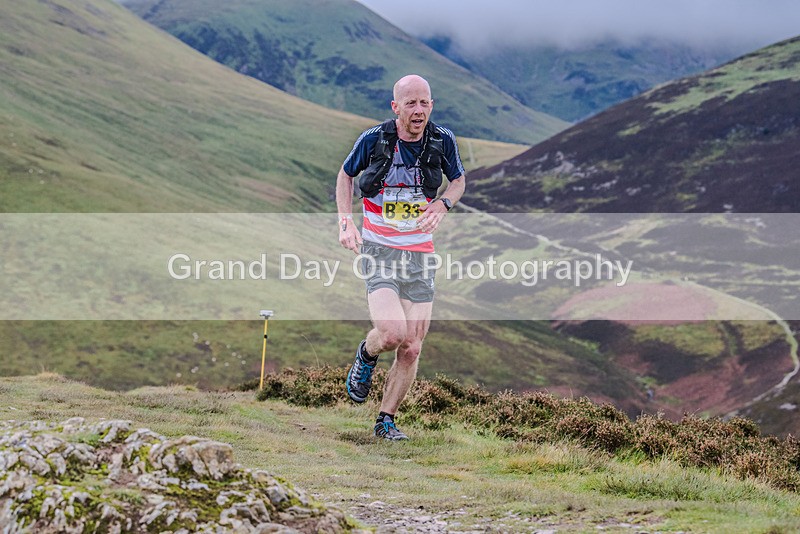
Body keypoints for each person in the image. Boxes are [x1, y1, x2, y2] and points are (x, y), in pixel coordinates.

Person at [335, 74, 466, 440]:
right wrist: (347, 223)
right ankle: (367, 351)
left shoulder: (443, 140)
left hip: (420, 254)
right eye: (411, 103)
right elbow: (345, 175)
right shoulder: (374, 139)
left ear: (432, 106)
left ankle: (385, 421)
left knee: (412, 346)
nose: (419, 109)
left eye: (424, 102)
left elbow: (458, 180)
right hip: (379, 250)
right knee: (392, 333)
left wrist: (444, 202)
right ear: (396, 108)